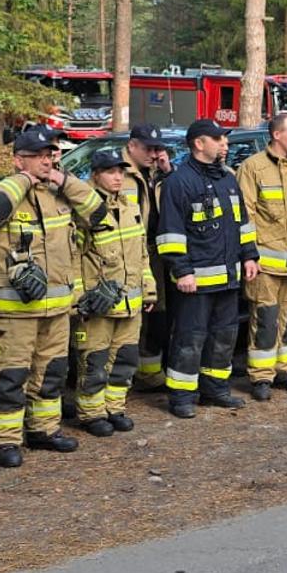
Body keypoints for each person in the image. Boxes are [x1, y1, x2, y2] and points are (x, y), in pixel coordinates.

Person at [0, 129, 106, 460]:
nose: (48, 159)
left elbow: (97, 212)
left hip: (58, 310)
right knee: (10, 376)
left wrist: (61, 179)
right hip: (15, 313)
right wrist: (24, 179)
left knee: (51, 373)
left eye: (51, 153)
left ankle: (43, 430)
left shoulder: (59, 193)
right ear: (19, 159)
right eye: (39, 155)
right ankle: (5, 440)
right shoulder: (0, 191)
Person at [155, 119, 259, 417]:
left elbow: (243, 223)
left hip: (228, 278)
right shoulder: (179, 182)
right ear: (200, 144)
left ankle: (215, 389)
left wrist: (250, 256)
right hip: (196, 281)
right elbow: (170, 233)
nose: (224, 144)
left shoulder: (228, 178)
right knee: (190, 338)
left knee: (224, 336)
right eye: (218, 139)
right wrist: (182, 270)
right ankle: (182, 397)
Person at [70, 149, 156, 436]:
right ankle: (92, 413)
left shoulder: (130, 206)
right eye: (110, 172)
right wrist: (79, 299)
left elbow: (141, 253)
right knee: (94, 361)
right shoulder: (84, 211)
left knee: (124, 359)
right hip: (98, 304)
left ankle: (115, 407)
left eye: (120, 171)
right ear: (95, 176)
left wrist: (149, 290)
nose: (117, 177)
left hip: (130, 302)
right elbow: (73, 257)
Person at [236, 114, 287, 399]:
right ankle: (261, 377)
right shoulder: (253, 167)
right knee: (265, 319)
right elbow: (245, 215)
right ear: (276, 135)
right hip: (265, 264)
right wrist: (249, 255)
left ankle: (286, 371)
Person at [124, 125, 174, 390]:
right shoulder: (118, 173)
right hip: (130, 256)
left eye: (157, 148)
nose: (154, 154)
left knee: (156, 315)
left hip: (155, 255)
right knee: (133, 317)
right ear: (132, 146)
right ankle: (125, 376)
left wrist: (168, 172)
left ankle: (149, 374)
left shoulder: (157, 173)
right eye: (148, 148)